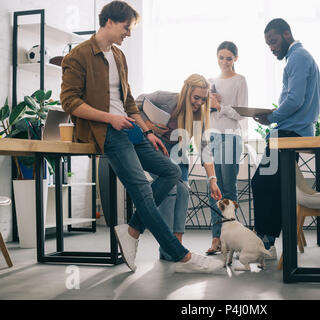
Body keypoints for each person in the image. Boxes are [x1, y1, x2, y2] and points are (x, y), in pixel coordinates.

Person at [60, 1, 223, 274]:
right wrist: (110, 118)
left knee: (171, 172)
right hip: (107, 131)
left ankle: (132, 230)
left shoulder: (119, 57)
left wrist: (147, 131)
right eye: (127, 28)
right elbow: (69, 101)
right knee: (143, 192)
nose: (129, 34)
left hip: (131, 130)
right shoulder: (78, 56)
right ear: (109, 22)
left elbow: (129, 103)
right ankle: (180, 254)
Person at [252, 18, 320, 258]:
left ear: (286, 34)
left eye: (273, 41)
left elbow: (294, 100)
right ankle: (268, 239)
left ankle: (266, 241)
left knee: (262, 183)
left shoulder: (298, 58)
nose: (272, 47)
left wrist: (272, 116)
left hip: (289, 134)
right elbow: (316, 103)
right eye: (268, 44)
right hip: (293, 131)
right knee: (274, 185)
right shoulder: (301, 58)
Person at [136, 74, 223, 261]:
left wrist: (212, 180)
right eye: (196, 98)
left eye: (203, 99)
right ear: (186, 92)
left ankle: (177, 246)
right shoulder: (166, 98)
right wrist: (148, 126)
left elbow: (205, 148)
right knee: (170, 189)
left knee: (184, 190)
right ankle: (168, 247)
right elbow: (136, 103)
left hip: (177, 152)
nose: (199, 103)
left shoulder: (199, 114)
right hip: (156, 147)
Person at [206, 41, 248, 255]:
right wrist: (209, 103)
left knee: (229, 189)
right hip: (213, 135)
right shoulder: (210, 81)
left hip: (231, 137)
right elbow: (204, 112)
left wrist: (219, 106)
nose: (224, 62)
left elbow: (240, 114)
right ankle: (216, 239)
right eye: (221, 57)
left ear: (235, 59)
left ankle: (231, 238)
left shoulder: (240, 80)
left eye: (229, 58)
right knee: (214, 188)